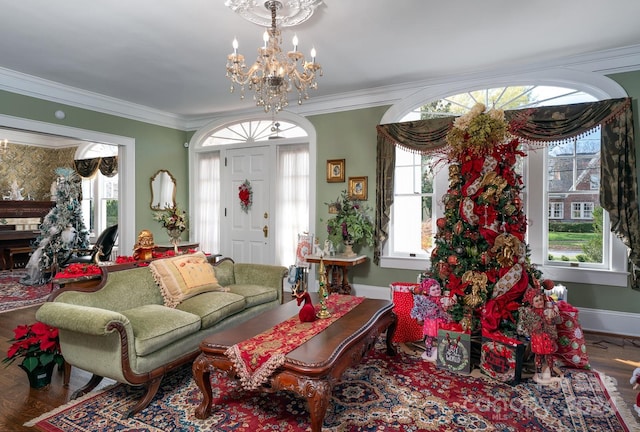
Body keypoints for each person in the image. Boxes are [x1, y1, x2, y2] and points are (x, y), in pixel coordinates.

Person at [518, 288, 562, 384]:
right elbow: (527, 326)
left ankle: (550, 370)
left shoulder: (549, 310)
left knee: (549, 355)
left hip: (548, 336)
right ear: (532, 303)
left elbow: (558, 321)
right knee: (538, 355)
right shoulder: (530, 313)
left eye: (540, 299)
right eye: (536, 301)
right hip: (538, 338)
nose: (539, 302)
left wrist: (552, 317)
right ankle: (538, 371)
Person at [411, 278, 451, 362]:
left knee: (442, 336)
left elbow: (445, 308)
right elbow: (424, 310)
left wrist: (446, 306)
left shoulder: (442, 298)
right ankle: (428, 351)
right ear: (428, 291)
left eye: (438, 288)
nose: (437, 291)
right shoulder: (427, 301)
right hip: (431, 322)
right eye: (433, 289)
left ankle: (442, 351)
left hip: (440, 320)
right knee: (430, 337)